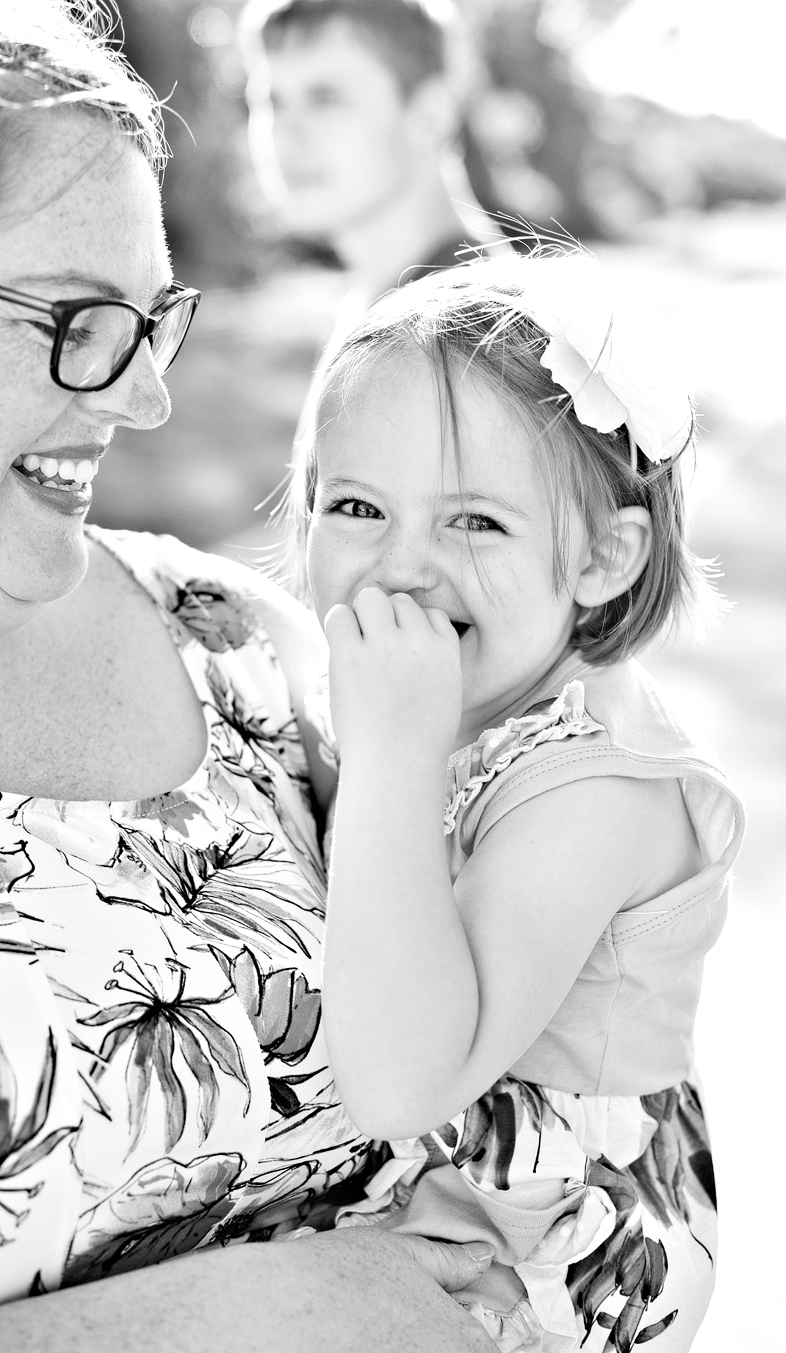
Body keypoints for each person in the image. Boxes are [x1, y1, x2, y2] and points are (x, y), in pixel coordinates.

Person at [0, 3, 500, 1347]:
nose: (143, 397)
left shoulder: (245, 644)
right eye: (74, 316)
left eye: (153, 317)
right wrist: (265, 1311)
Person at [290, 253, 745, 1350]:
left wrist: (391, 756)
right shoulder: (453, 689)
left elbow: (407, 1082)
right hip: (445, 1179)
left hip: (549, 1250)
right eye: (358, 506)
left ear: (601, 560)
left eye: (475, 523)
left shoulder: (592, 796)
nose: (402, 569)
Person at [239, 0, 509, 346]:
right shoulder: (379, 308)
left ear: (430, 116)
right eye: (272, 101)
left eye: (325, 99)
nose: (288, 134)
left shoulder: (466, 334)